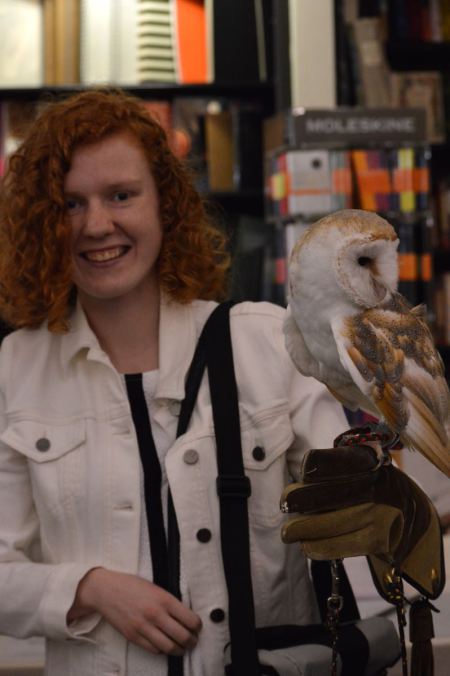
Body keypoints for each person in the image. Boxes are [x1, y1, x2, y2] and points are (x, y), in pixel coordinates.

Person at [0, 89, 348, 676]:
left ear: (165, 203)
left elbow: (359, 511)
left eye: (121, 195)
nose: (97, 225)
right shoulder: (18, 367)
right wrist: (91, 588)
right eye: (70, 204)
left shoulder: (265, 342)